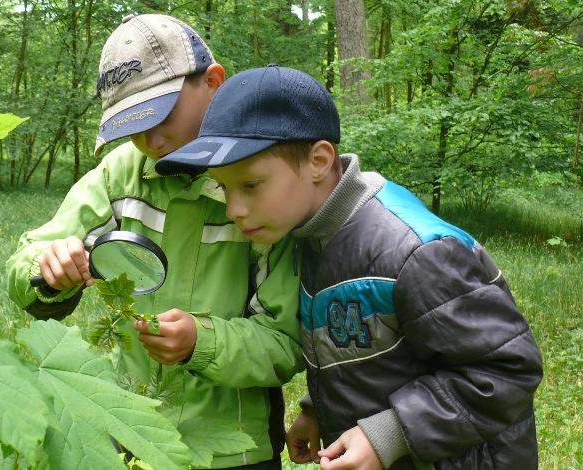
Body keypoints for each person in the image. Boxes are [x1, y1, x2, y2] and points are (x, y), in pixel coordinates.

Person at [155, 65, 543, 470]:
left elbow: (506, 370)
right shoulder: (308, 235)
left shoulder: (415, 252)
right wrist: (316, 409)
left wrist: (389, 434)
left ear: (319, 161)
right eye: (224, 186)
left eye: (250, 185)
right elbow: (355, 342)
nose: (234, 208)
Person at [6, 15, 303, 469]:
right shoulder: (119, 174)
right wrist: (47, 269)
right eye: (131, 125)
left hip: (236, 448)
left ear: (213, 82)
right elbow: (27, 258)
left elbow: (286, 340)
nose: (151, 138)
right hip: (133, 431)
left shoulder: (261, 184)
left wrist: (200, 342)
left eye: (161, 114)